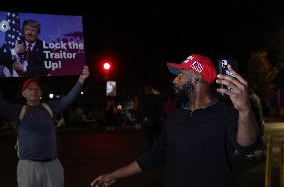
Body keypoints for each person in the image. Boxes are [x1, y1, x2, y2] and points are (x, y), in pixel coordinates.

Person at [90, 54, 259, 187]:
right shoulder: (174, 118)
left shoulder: (225, 114)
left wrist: (245, 110)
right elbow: (153, 157)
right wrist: (113, 175)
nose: (174, 80)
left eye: (180, 74)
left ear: (197, 78)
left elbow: (247, 146)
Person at [0, 65, 89, 187]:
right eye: (30, 89)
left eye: (36, 88)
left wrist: (81, 79)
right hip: (28, 167)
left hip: (52, 165)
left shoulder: (50, 107)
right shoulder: (17, 111)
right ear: (23, 93)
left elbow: (69, 98)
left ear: (41, 92)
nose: (34, 91)